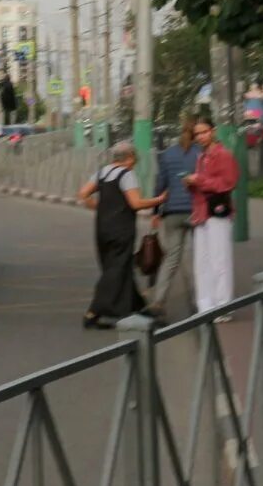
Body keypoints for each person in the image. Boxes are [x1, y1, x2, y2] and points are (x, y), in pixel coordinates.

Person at [77, 141, 165, 328]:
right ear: (130, 157)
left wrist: (101, 208)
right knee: (116, 268)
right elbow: (135, 203)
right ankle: (93, 312)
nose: (135, 163)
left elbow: (83, 194)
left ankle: (137, 307)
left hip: (102, 228)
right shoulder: (127, 175)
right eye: (135, 159)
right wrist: (159, 200)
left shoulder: (102, 173)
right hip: (121, 229)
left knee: (118, 266)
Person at [147, 115, 208, 320]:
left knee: (172, 258)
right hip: (196, 211)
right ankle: (200, 302)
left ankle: (158, 301)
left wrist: (156, 212)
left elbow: (160, 184)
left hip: (172, 212)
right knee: (199, 258)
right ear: (196, 133)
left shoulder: (168, 154)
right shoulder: (201, 153)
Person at [188, 112, 240, 317]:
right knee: (202, 262)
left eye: (204, 132)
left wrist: (199, 181)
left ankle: (223, 307)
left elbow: (228, 183)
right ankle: (206, 306)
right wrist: (191, 183)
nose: (200, 137)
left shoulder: (223, 155)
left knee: (220, 261)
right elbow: (203, 184)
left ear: (213, 131)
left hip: (218, 212)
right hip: (201, 212)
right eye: (197, 134)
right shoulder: (201, 157)